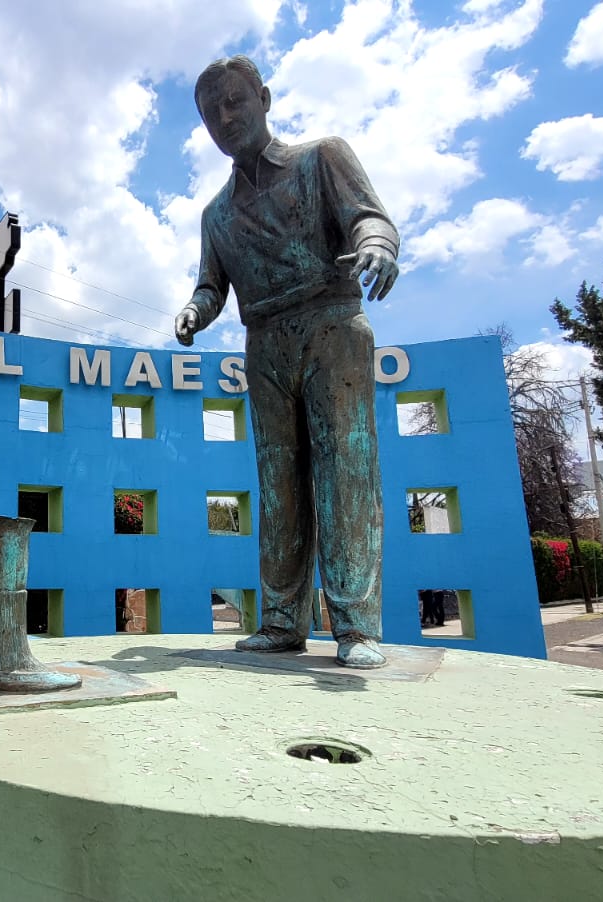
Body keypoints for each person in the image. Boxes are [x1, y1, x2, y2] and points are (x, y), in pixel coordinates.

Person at [176, 56, 399, 669]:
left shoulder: (322, 157)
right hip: (263, 342)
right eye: (211, 111)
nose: (224, 117)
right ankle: (281, 621)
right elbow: (211, 286)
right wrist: (196, 311)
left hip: (333, 324)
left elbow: (370, 218)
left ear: (264, 97)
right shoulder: (215, 215)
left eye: (234, 100)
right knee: (278, 486)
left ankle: (356, 627)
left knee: (345, 469)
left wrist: (377, 245)